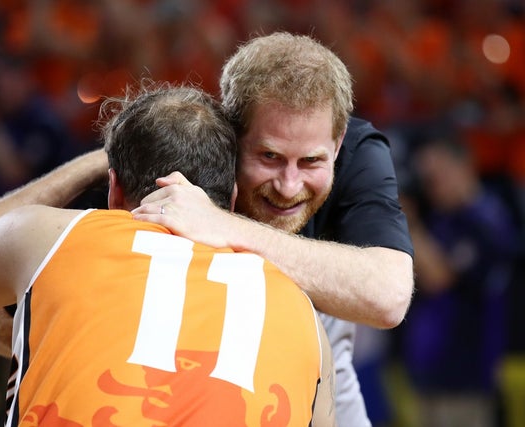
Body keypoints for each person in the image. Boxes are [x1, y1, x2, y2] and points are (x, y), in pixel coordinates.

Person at [0, 84, 335, 426]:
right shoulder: (302, 314)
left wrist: (85, 167)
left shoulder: (55, 236)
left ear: (114, 187)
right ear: (233, 197)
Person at [130, 32, 415, 427]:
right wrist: (96, 162)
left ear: (337, 145)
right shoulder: (191, 145)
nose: (288, 186)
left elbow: (388, 297)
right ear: (231, 137)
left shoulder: (360, 150)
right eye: (269, 156)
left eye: (311, 161)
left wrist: (221, 225)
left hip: (326, 381)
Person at [401, 133, 519, 427]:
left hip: (466, 375)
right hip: (431, 375)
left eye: (437, 175)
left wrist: (407, 223)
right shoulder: (440, 219)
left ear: (464, 165)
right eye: (426, 179)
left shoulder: (485, 220)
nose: (431, 186)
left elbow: (439, 278)